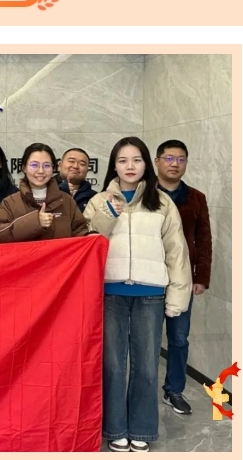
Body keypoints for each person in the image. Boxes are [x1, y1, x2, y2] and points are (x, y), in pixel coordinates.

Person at [83, 136, 192, 453]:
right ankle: (115, 427)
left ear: (146, 164)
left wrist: (177, 297)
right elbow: (87, 242)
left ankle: (142, 429)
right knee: (113, 365)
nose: (129, 166)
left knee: (146, 366)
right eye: (122, 160)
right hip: (109, 293)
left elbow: (177, 252)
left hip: (150, 294)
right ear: (114, 166)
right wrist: (108, 215)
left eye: (136, 160)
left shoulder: (162, 202)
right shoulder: (99, 200)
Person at [155, 139, 212, 416]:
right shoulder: (144, 193)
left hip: (182, 279)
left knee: (178, 338)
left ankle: (174, 390)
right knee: (146, 339)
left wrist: (201, 277)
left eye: (180, 159)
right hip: (150, 278)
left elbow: (204, 239)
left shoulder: (196, 198)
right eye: (168, 158)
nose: (174, 164)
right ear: (157, 162)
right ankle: (141, 391)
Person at [0, 143, 89, 242]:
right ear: (24, 168)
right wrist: (35, 222)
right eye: (34, 165)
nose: (41, 171)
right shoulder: (11, 202)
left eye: (46, 165)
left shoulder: (66, 201)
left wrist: (90, 236)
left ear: (53, 168)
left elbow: (80, 231)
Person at [55, 147, 97, 213]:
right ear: (60, 166)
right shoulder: (45, 190)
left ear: (87, 171)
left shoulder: (94, 198)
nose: (75, 166)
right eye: (71, 161)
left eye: (82, 164)